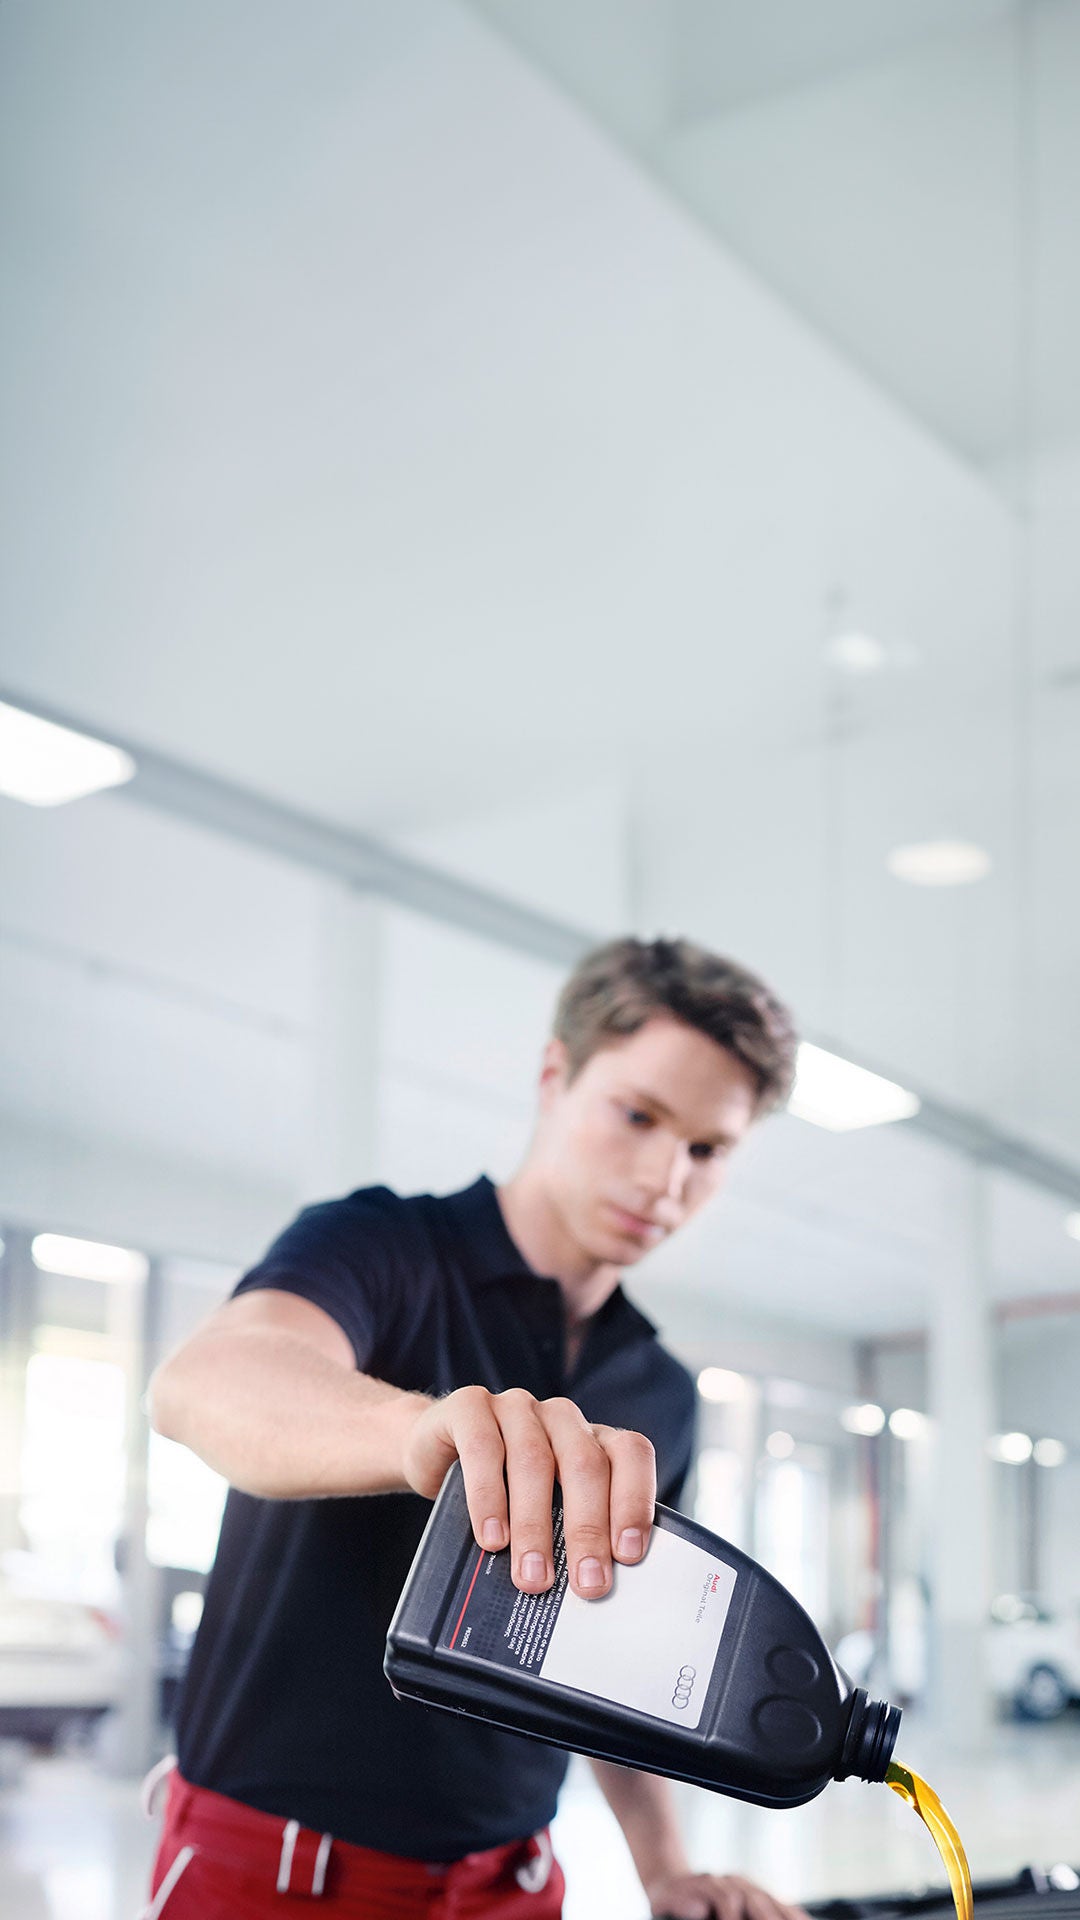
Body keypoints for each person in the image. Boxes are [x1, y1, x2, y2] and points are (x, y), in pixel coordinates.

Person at [146, 936, 804, 1920]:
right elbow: (208, 1380)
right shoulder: (380, 1247)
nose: (667, 1180)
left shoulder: (661, 1389)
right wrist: (421, 1434)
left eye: (707, 1150)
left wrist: (664, 1868)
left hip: (514, 1883)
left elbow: (614, 1653)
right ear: (555, 1075)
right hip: (275, 1871)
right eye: (638, 1116)